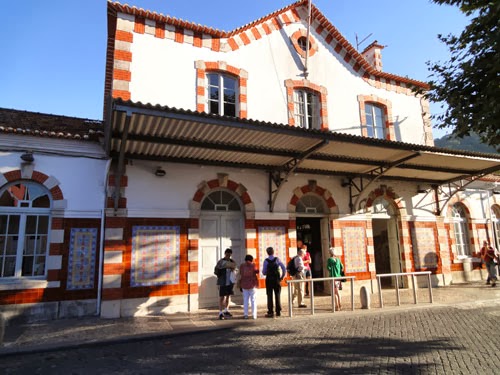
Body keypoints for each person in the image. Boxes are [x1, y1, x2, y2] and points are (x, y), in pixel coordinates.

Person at [262, 246, 286, 318]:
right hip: (276, 279)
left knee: (269, 295)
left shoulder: (266, 261)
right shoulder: (277, 259)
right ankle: (278, 311)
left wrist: (267, 273)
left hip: (269, 279)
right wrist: (282, 276)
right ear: (273, 252)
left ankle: (270, 311)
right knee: (277, 294)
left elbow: (264, 272)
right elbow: (283, 268)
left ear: (267, 253)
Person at [214, 248, 237, 320]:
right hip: (223, 282)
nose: (228, 256)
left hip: (230, 282)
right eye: (227, 255)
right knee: (221, 297)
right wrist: (222, 268)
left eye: (229, 255)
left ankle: (226, 310)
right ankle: (220, 312)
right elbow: (216, 271)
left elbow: (236, 269)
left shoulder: (232, 261)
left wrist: (233, 269)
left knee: (228, 296)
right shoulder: (221, 262)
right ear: (225, 254)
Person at [238, 254, 259, 319]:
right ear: (251, 259)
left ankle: (246, 314)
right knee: (253, 300)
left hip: (244, 284)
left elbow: (240, 273)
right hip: (252, 284)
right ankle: (254, 315)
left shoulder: (242, 266)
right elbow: (257, 271)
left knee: (245, 300)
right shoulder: (253, 265)